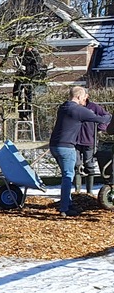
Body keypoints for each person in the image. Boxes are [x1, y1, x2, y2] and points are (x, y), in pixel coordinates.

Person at [49, 86, 112, 217]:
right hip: (67, 147)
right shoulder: (78, 110)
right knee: (67, 177)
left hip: (54, 146)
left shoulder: (63, 107)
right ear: (78, 97)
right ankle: (65, 208)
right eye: (84, 98)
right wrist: (111, 118)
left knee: (67, 175)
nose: (85, 100)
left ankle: (68, 203)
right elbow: (101, 119)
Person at [75, 97, 108, 176]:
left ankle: (89, 188)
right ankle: (77, 188)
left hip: (89, 140)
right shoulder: (74, 107)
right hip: (75, 141)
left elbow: (107, 116)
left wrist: (100, 128)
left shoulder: (94, 107)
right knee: (76, 166)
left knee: (89, 166)